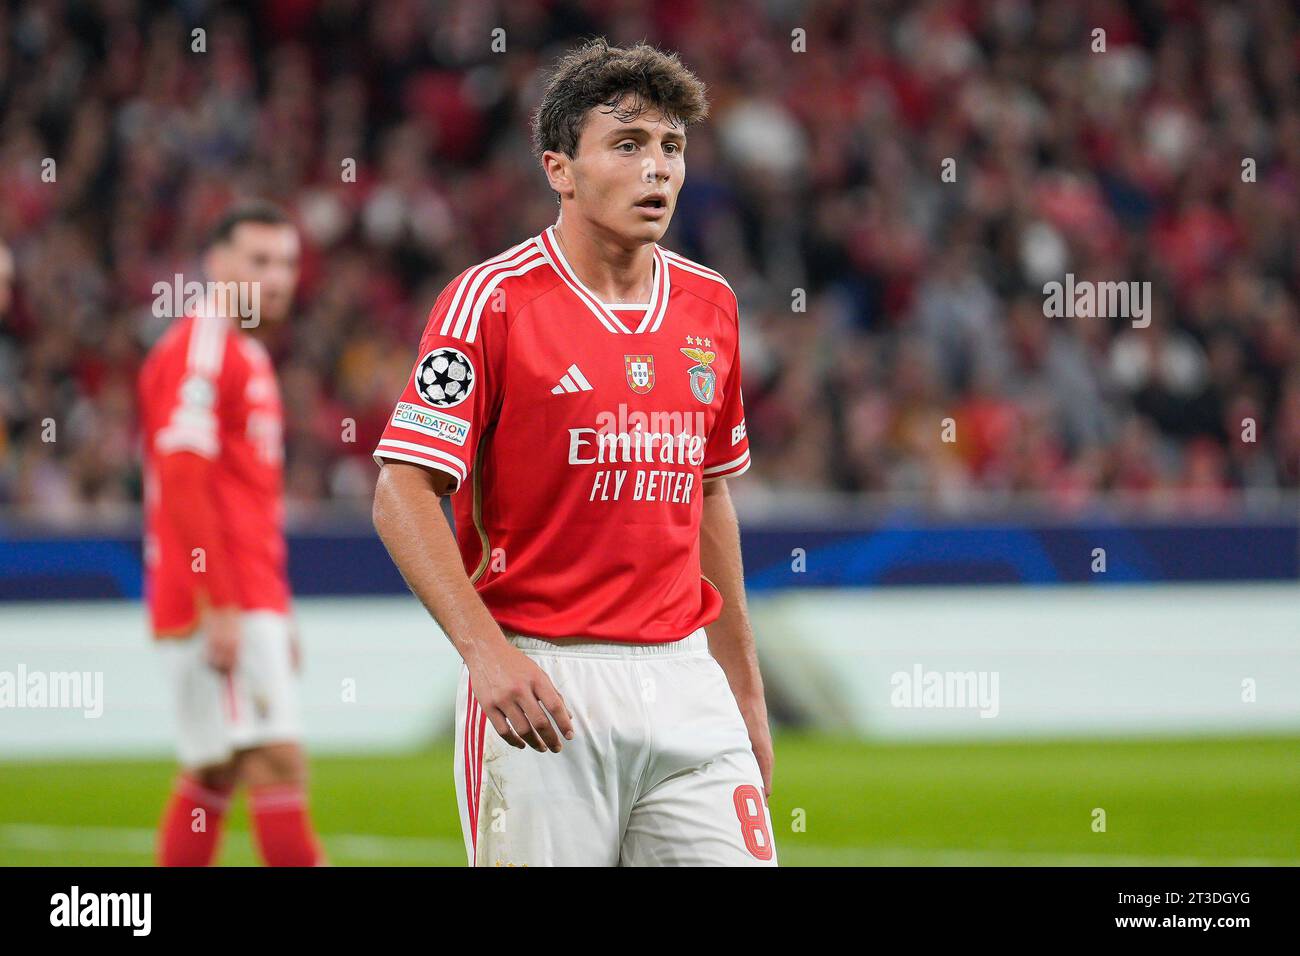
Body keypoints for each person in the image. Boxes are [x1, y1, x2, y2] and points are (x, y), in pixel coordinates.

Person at [372, 38, 776, 866]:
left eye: (671, 147)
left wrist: (744, 689)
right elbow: (402, 489)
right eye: (627, 145)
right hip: (545, 685)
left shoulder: (712, 305)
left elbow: (707, 497)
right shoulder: (491, 302)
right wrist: (487, 653)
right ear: (560, 168)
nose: (657, 168)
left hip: (686, 680)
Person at [139, 200, 324, 866]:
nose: (276, 277)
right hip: (221, 598)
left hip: (240, 595)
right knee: (275, 760)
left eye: (287, 263)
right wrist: (221, 602)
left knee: (214, 770)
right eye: (259, 261)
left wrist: (277, 606)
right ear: (216, 265)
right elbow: (182, 476)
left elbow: (237, 499)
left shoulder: (241, 350)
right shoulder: (206, 346)